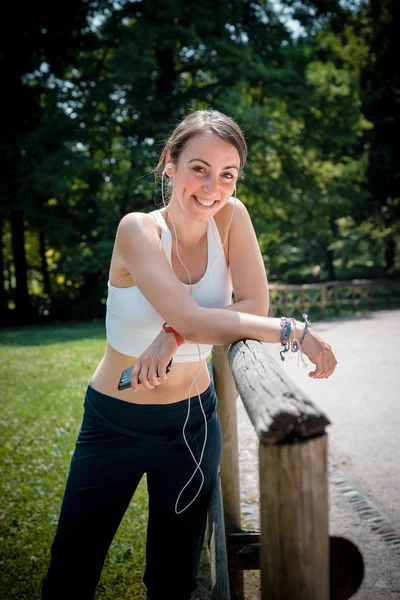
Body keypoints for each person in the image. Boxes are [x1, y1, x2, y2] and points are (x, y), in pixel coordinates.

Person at [41, 108, 337, 600]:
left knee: (175, 581)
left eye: (228, 174)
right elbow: (216, 318)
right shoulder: (137, 230)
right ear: (169, 164)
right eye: (199, 167)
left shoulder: (232, 217)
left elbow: (250, 305)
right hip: (114, 424)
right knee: (71, 574)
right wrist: (291, 330)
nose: (212, 187)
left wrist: (174, 336)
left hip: (193, 427)